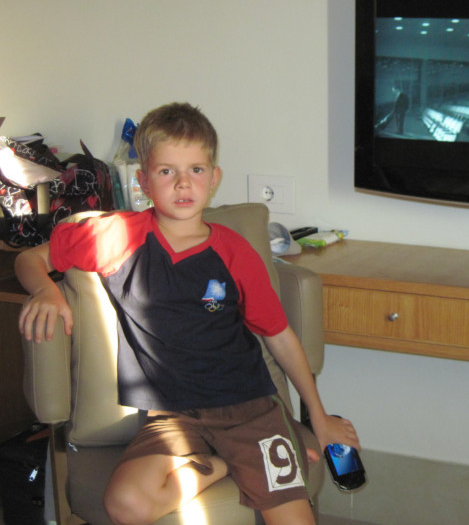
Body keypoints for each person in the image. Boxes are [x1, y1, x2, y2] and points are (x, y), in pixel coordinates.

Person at [15, 102, 360, 525]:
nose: (183, 183)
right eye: (166, 171)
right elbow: (30, 259)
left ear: (214, 178)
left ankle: (254, 459)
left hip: (251, 409)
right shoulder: (116, 236)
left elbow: (280, 336)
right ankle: (229, 464)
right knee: (127, 504)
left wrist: (319, 417)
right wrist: (46, 290)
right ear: (144, 181)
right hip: (173, 417)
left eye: (196, 170)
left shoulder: (234, 251)